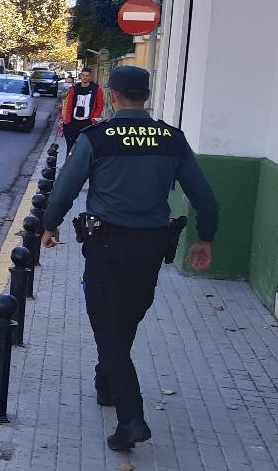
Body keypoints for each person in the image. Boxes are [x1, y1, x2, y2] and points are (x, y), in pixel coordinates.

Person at [41, 66, 218, 452]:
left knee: (107, 327)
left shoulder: (97, 138)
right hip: (152, 247)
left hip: (107, 245)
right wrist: (205, 238)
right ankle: (107, 382)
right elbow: (205, 199)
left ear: (113, 95)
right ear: (147, 97)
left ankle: (131, 419)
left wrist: (49, 226)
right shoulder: (172, 140)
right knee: (126, 319)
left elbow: (65, 188)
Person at [63, 67, 105, 152]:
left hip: (88, 123)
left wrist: (94, 119)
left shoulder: (96, 89)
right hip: (74, 122)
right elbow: (69, 105)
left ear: (90, 77)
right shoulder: (74, 89)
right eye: (83, 75)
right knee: (71, 147)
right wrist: (67, 120)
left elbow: (100, 105)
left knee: (86, 147)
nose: (85, 77)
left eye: (87, 75)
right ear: (80, 76)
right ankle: (70, 163)